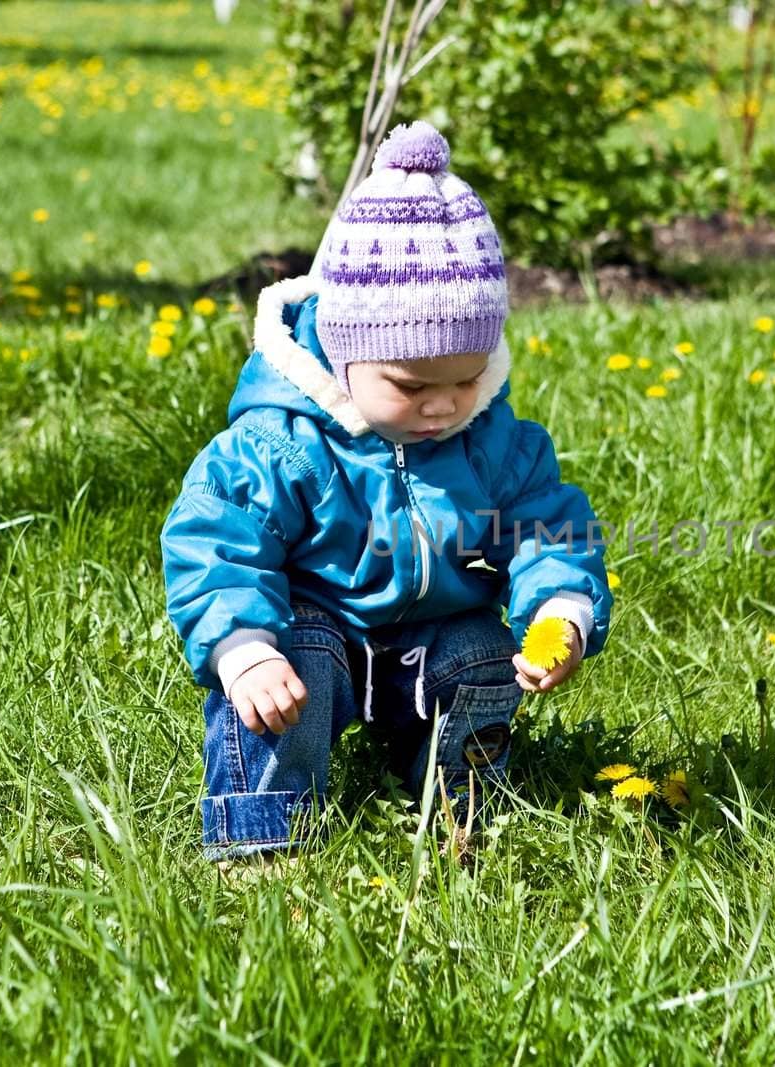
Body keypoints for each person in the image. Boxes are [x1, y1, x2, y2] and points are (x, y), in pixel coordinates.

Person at [162, 121, 612, 865]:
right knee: (283, 677)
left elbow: (545, 529)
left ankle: (464, 807)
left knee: (483, 656)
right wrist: (242, 646)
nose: (443, 406)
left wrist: (561, 608)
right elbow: (215, 537)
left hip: (433, 637)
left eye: (466, 380)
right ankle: (264, 833)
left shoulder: (493, 442)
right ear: (343, 353)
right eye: (410, 386)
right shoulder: (282, 442)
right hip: (319, 632)